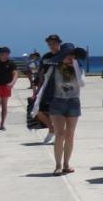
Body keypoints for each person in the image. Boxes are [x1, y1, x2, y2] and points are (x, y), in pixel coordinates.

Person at [35, 45, 87, 175]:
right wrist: (37, 100)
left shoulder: (78, 67)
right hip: (57, 102)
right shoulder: (54, 68)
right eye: (68, 55)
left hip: (73, 102)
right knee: (60, 134)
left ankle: (66, 164)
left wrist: (74, 64)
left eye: (73, 55)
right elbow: (44, 82)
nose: (70, 58)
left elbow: (82, 83)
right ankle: (58, 165)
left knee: (70, 135)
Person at [34, 34, 64, 140]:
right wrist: (37, 90)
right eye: (49, 43)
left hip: (61, 89)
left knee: (58, 113)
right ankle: (52, 129)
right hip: (47, 88)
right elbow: (41, 74)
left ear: (59, 43)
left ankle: (59, 135)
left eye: (54, 43)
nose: (51, 45)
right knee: (38, 110)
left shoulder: (64, 55)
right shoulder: (46, 57)